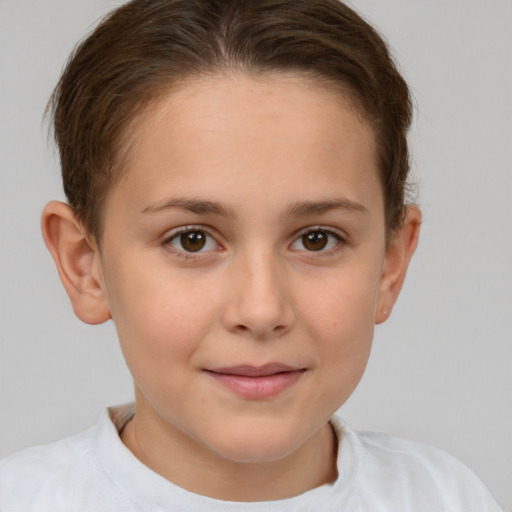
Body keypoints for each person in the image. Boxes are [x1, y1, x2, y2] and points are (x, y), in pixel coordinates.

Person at [0, 0, 503, 510]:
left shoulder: (447, 498)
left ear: (390, 264)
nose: (261, 310)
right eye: (191, 239)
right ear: (85, 264)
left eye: (316, 239)